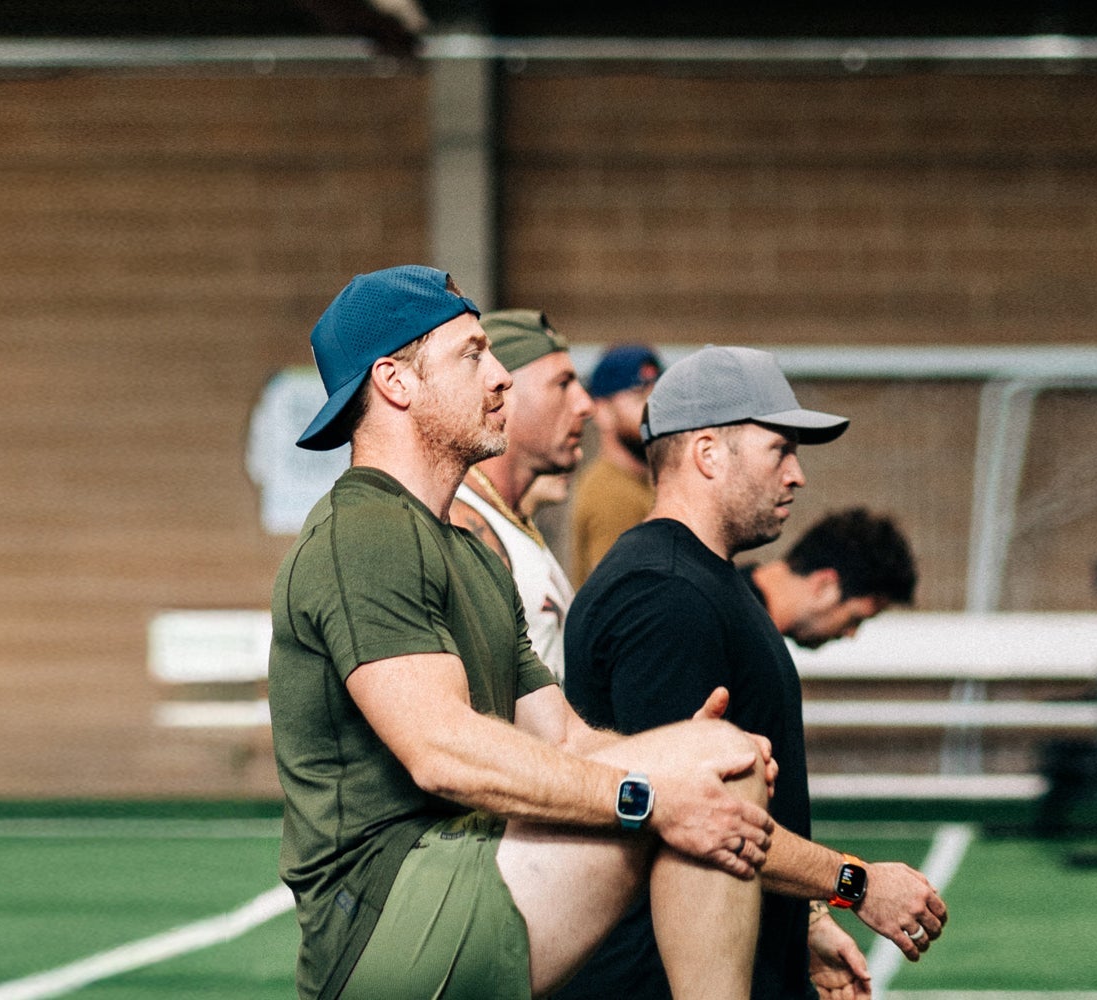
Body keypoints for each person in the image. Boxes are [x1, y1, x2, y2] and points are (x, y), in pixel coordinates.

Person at [271, 267, 783, 1000]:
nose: (503, 377)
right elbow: (441, 752)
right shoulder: (365, 530)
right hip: (391, 918)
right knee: (698, 772)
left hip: (467, 865)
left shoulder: (470, 554)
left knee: (716, 758)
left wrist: (679, 760)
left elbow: (567, 740)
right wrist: (649, 791)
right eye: (473, 354)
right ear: (395, 382)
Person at [562, 346, 948, 1000]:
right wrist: (857, 886)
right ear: (709, 453)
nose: (796, 475)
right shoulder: (665, 596)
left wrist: (808, 921)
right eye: (780, 450)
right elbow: (698, 821)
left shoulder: (705, 580)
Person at [446, 309, 594, 679]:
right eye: (563, 384)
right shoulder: (465, 525)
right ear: (504, 392)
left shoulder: (513, 521)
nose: (584, 404)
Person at [745, 508, 918, 651]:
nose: (851, 634)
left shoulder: (734, 609)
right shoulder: (738, 634)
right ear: (824, 585)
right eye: (855, 619)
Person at [567, 343, 661, 585]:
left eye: (658, 397)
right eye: (640, 397)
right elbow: (623, 599)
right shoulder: (612, 495)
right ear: (602, 411)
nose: (654, 411)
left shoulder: (640, 483)